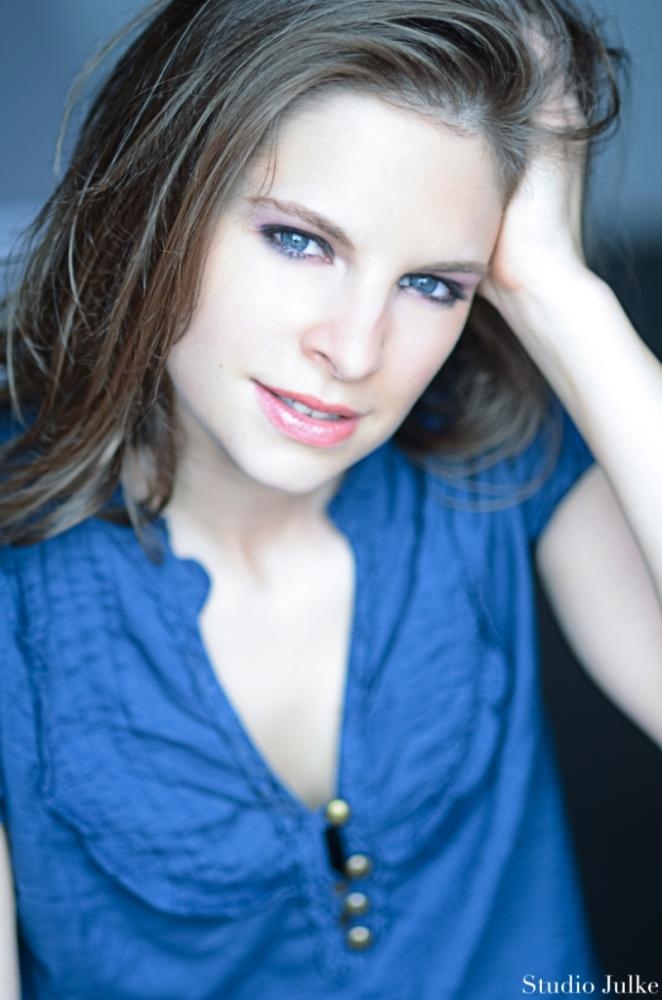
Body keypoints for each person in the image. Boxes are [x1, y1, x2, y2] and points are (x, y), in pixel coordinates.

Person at [0, 0, 661, 996]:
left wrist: (557, 293)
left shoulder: (493, 452)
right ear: (158, 200)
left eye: (431, 285)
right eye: (299, 240)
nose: (354, 352)